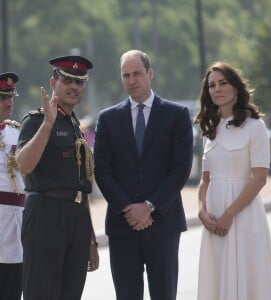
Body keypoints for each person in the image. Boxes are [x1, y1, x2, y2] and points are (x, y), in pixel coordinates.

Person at [94, 49, 193, 300]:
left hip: (163, 222)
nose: (131, 80)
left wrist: (149, 206)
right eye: (125, 75)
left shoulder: (177, 115)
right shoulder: (107, 119)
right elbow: (102, 170)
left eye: (137, 73)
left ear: (150, 73)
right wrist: (128, 208)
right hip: (122, 225)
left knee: (164, 294)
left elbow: (180, 168)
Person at [194, 61, 271, 300]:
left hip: (243, 217)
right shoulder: (209, 132)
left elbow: (259, 178)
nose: (217, 89)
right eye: (212, 85)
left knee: (249, 278)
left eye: (223, 83)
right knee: (218, 280)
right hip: (214, 220)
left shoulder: (255, 127)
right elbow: (205, 180)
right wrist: (202, 211)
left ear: (236, 88)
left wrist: (230, 214)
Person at [16, 55, 99, 300]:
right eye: (67, 80)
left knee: (71, 293)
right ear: (53, 83)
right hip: (46, 214)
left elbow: (80, 186)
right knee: (42, 293)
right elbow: (23, 165)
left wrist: (91, 239)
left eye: (80, 82)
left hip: (76, 218)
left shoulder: (75, 124)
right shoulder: (37, 120)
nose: (74, 87)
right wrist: (48, 124)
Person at [0, 72, 25, 300]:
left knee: (12, 290)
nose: (8, 103)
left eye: (10, 97)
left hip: (16, 227)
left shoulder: (16, 132)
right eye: (2, 98)